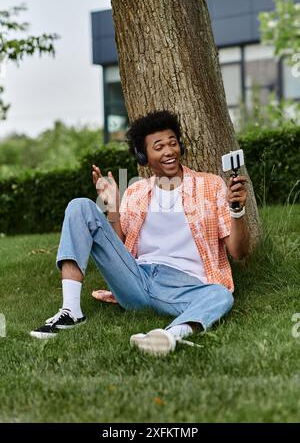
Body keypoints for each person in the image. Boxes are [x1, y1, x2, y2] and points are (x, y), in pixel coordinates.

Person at [30, 110, 249, 356]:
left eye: (173, 143)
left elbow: (238, 252)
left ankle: (171, 335)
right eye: (159, 147)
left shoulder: (210, 185)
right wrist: (113, 209)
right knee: (80, 206)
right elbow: (119, 251)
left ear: (181, 146)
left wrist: (236, 210)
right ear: (144, 155)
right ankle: (70, 311)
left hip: (186, 286)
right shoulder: (136, 193)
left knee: (221, 295)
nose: (169, 151)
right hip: (138, 278)